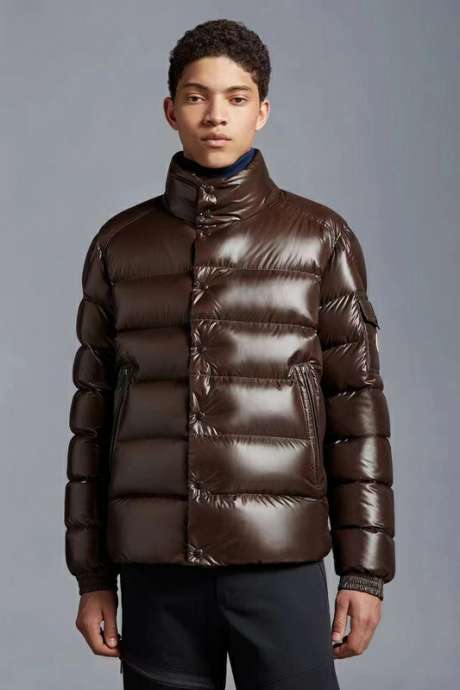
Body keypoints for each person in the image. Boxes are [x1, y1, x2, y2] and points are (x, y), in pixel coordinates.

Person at [65, 18, 395, 690]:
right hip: (156, 573)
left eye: (236, 98)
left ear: (262, 110)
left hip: (281, 561)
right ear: (171, 110)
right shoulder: (119, 246)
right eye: (197, 97)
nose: (216, 115)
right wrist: (92, 577)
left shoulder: (319, 238)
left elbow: (357, 413)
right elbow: (92, 423)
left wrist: (364, 574)